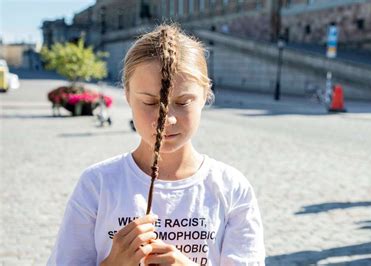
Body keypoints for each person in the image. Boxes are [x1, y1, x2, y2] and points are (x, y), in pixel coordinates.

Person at [48, 24, 265, 265]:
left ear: (205, 95)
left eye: (183, 102)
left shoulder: (231, 188)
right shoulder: (97, 185)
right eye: (150, 103)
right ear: (128, 95)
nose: (167, 119)